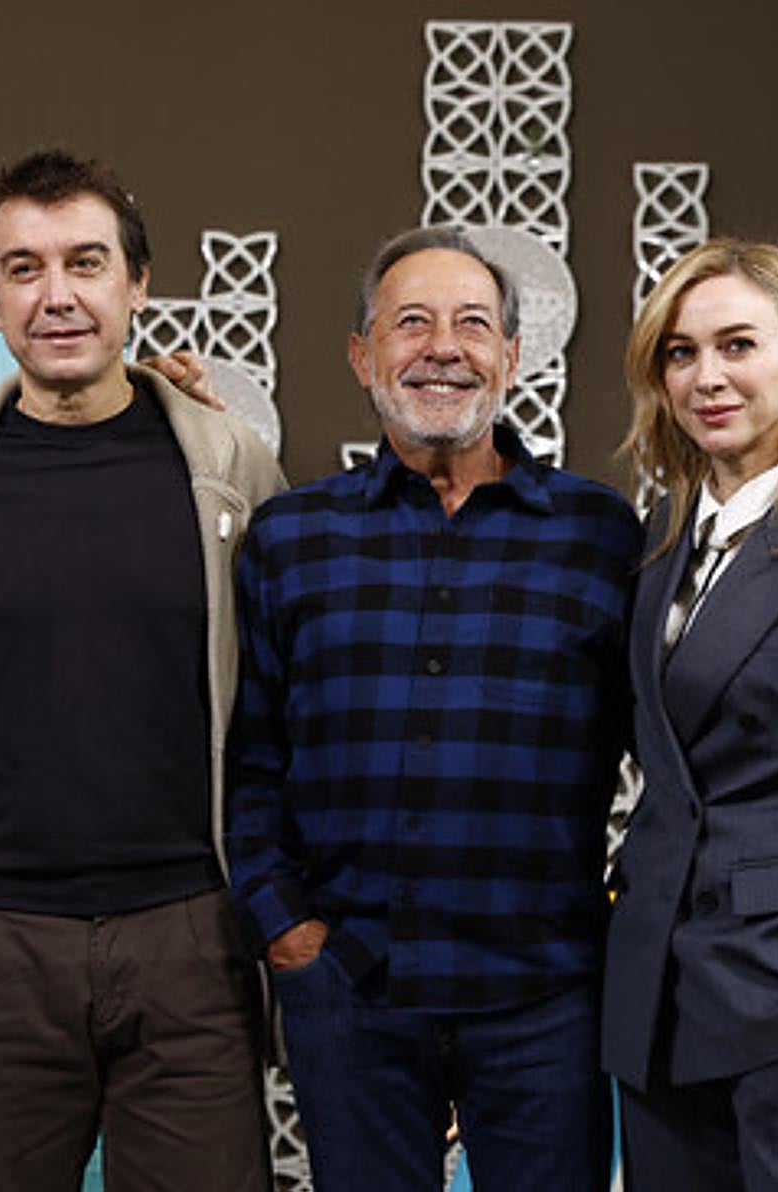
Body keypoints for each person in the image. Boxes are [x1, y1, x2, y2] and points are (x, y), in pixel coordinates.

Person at [0, 148, 284, 1192]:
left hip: (191, 938)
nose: (56, 294)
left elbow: (278, 706)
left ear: (137, 284)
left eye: (86, 263)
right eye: (24, 268)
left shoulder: (233, 467)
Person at [228, 224, 642, 1191]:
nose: (443, 348)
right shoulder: (291, 539)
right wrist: (287, 931)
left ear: (512, 356)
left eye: (473, 325)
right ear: (362, 355)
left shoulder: (599, 535)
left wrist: (621, 919)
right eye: (411, 323)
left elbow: (668, 750)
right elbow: (250, 764)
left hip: (546, 998)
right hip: (351, 988)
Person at [603, 239, 778, 1190]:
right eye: (680, 352)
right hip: (661, 998)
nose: (706, 377)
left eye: (737, 345)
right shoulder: (662, 538)